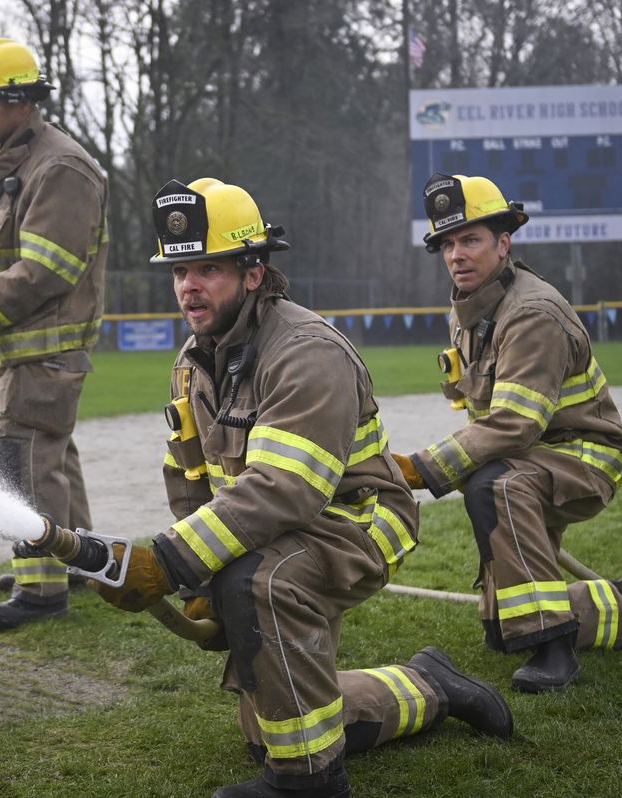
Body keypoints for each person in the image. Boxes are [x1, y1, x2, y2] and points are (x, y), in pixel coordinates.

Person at [88, 178, 514, 798]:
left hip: (355, 523)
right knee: (273, 724)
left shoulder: (306, 353)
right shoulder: (195, 359)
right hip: (280, 529)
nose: (189, 286)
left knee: (258, 583)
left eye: (208, 268)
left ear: (254, 272)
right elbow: (188, 474)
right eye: (180, 271)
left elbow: (285, 489)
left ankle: (309, 781)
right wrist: (202, 579)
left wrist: (174, 561)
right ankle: (432, 685)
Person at [392, 172, 622, 694]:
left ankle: (555, 650)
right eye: (448, 243)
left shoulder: (531, 312)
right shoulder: (468, 309)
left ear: (504, 243)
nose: (457, 254)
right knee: (504, 627)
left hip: (584, 453)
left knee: (495, 488)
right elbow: (484, 415)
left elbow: (513, 422)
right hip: (528, 456)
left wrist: (421, 468)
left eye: (471, 240)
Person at [0, 37, 108, 630]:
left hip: (43, 348)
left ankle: (41, 589)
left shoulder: (59, 167)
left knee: (25, 461)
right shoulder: (4, 161)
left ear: (29, 101)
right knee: (48, 456)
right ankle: (76, 560)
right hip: (18, 349)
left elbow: (46, 270)